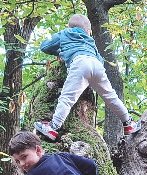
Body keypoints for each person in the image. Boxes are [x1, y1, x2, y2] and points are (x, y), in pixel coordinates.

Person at [33, 14, 139, 142]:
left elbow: (45, 46)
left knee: (67, 98)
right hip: (96, 65)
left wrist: (62, 51)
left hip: (80, 63)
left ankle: (53, 127)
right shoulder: (90, 41)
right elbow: (100, 59)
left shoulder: (65, 33)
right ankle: (128, 123)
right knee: (111, 97)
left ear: (70, 26)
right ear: (88, 31)